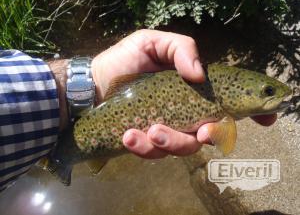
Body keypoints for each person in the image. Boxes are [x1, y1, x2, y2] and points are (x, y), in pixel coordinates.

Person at [0, 29, 276, 191]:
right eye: (268, 93)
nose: (273, 97)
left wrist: (95, 80)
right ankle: (62, 158)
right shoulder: (225, 120)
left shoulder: (224, 105)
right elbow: (225, 143)